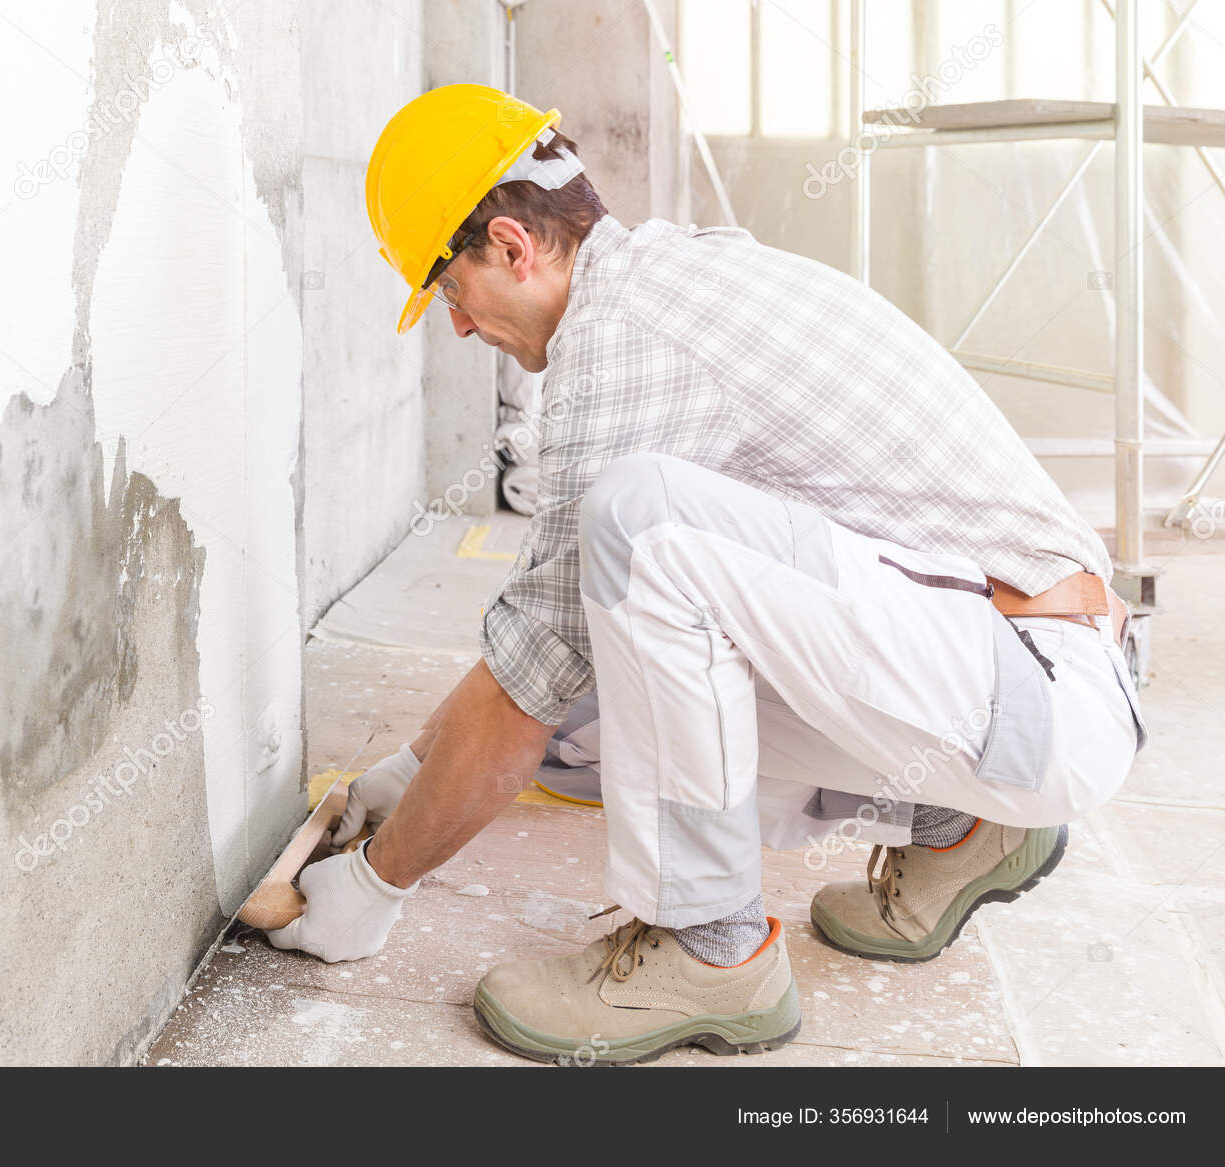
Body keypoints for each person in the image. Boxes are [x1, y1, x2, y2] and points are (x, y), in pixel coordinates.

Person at [266, 84, 1146, 1065]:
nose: (460, 327)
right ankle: (958, 824)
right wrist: (409, 770)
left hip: (1041, 696)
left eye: (447, 291)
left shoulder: (627, 341)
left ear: (511, 247)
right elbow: (541, 662)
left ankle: (710, 950)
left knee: (638, 525)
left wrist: (378, 882)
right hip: (1005, 673)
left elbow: (521, 691)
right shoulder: (662, 280)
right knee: (585, 722)